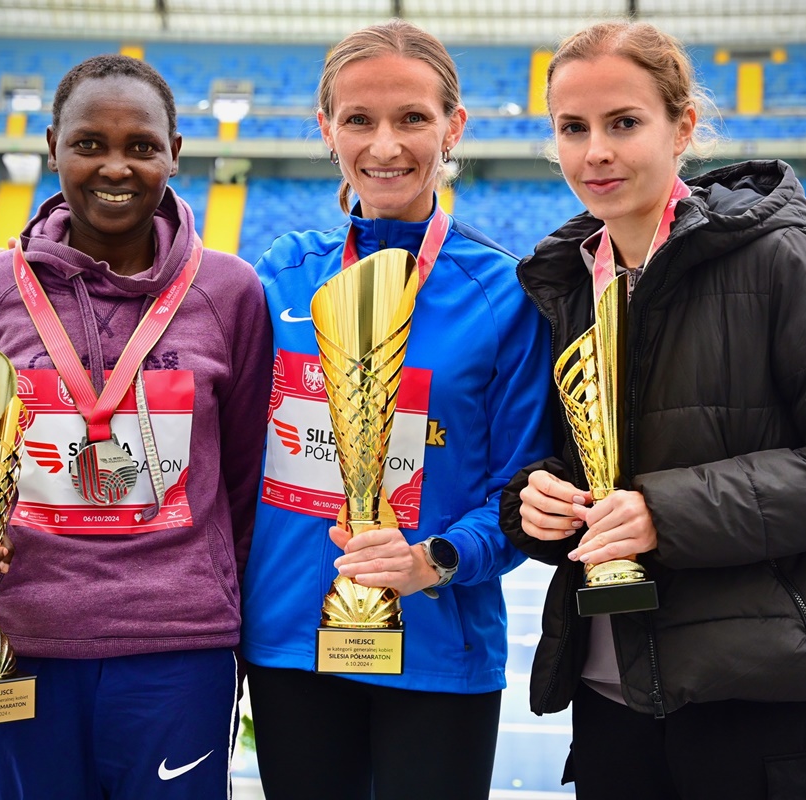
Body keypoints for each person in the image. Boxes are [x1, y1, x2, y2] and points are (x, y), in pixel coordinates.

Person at [499, 20, 806, 800]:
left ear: (683, 126)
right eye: (573, 128)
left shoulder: (780, 257)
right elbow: (577, 462)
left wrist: (665, 514)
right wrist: (537, 504)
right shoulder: (566, 281)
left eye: (624, 123)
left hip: (748, 692)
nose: (596, 152)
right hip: (608, 688)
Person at [0, 54, 272, 799]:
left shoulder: (230, 292)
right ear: (54, 146)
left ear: (174, 153)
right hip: (26, 642)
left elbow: (246, 479)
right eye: (89, 144)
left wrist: (223, 604)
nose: (116, 167)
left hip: (179, 649)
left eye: (141, 146)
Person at [240, 19, 554, 800]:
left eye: (412, 117)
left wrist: (434, 561)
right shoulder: (281, 276)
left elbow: (522, 493)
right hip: (291, 645)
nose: (385, 145)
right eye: (359, 119)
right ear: (327, 129)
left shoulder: (504, 294)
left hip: (440, 653)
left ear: (454, 126)